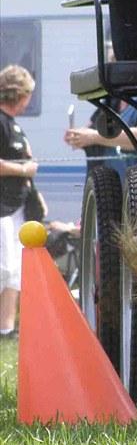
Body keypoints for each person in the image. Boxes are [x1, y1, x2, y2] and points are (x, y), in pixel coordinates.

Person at [0, 65, 47, 339]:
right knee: (5, 267)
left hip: (17, 205)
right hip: (2, 207)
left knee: (14, 269)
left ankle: (8, 326)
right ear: (20, 95)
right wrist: (23, 170)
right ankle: (4, 327)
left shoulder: (14, 125)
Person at [64, 99, 137, 179]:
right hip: (99, 183)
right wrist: (77, 137)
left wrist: (92, 137)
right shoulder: (110, 102)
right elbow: (88, 130)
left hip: (132, 182)